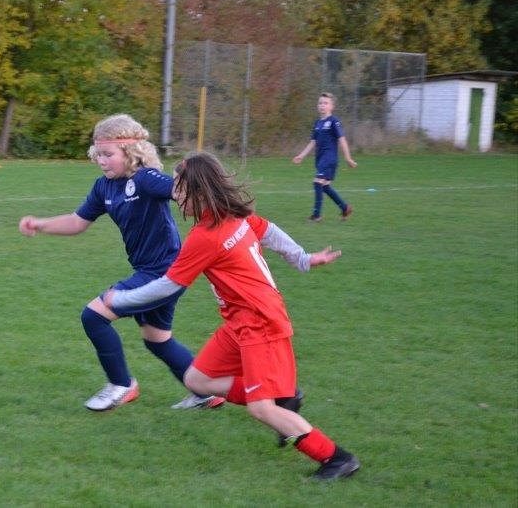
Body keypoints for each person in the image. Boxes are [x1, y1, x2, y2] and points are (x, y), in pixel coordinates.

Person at [19, 114, 313, 418]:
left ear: (130, 152)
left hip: (165, 271)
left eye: (108, 154)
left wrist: (218, 204)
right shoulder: (103, 187)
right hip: (146, 270)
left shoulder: (146, 179)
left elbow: (186, 191)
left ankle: (121, 384)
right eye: (98, 154)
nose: (101, 161)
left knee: (93, 316)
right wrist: (41, 224)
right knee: (157, 340)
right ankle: (209, 394)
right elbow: (77, 222)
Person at [105, 151, 360, 480]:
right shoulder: (232, 215)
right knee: (197, 380)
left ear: (200, 192)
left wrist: (122, 300)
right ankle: (282, 397)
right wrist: (301, 258)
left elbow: (168, 286)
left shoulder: (205, 236)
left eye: (180, 189)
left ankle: (336, 459)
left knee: (261, 409)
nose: (175, 195)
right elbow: (269, 230)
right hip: (240, 321)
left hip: (260, 323)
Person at [292, 92, 358, 222]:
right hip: (321, 158)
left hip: (329, 158)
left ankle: (316, 215)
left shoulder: (334, 121)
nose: (322, 105)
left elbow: (342, 140)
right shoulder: (318, 123)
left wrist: (348, 158)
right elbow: (313, 142)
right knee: (325, 186)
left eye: (326, 103)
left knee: (317, 182)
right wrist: (301, 155)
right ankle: (345, 208)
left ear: (332, 106)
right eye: (320, 103)